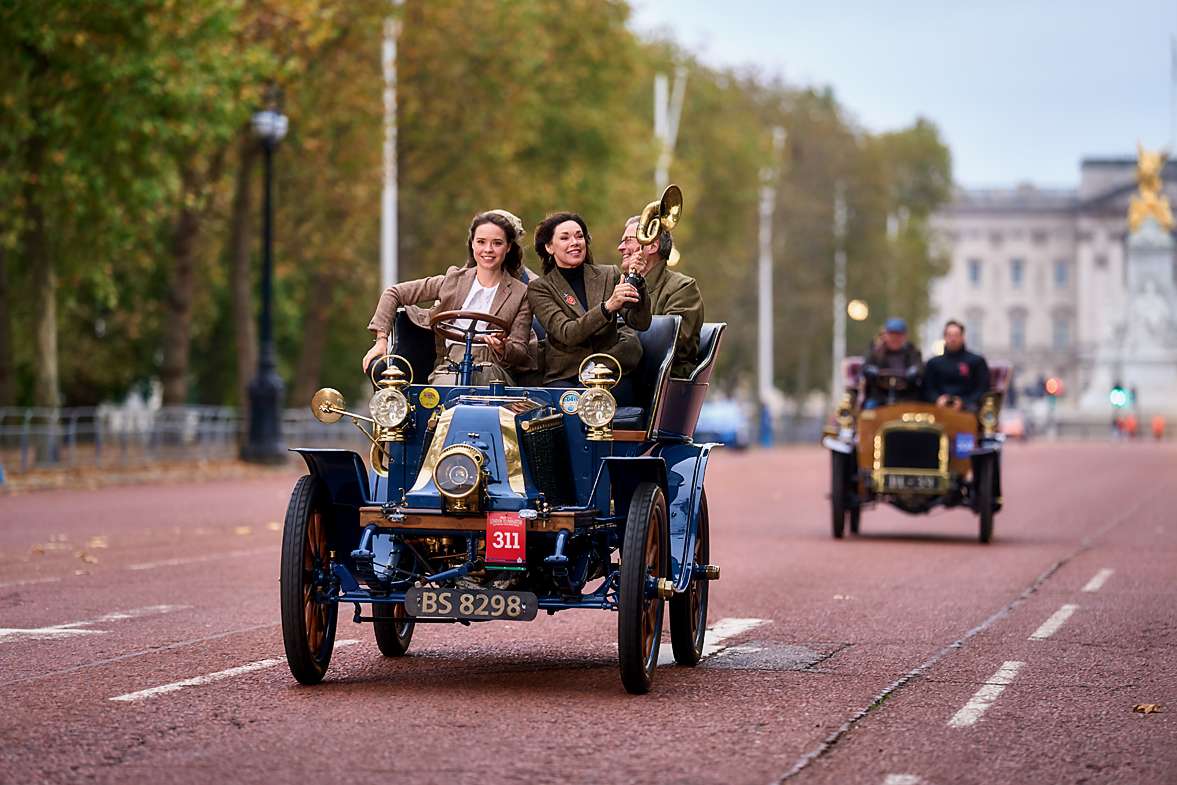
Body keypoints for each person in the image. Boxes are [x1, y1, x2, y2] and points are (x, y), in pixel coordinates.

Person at [363, 211, 535, 385]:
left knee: (482, 384)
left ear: (508, 247)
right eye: (481, 242)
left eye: (497, 243)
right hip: (450, 366)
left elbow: (519, 350)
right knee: (441, 395)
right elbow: (394, 293)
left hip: (493, 370)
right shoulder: (453, 280)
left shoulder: (521, 293)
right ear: (472, 245)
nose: (488, 250)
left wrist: (502, 347)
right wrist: (381, 340)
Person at [527, 212, 650, 391]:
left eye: (579, 236)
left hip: (609, 374)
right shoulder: (540, 288)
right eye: (564, 238)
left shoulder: (609, 274)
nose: (575, 242)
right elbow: (567, 333)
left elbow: (640, 322)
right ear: (549, 247)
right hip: (566, 377)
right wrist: (607, 307)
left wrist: (637, 281)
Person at [618, 215, 703, 378]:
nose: (620, 247)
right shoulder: (617, 283)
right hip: (625, 373)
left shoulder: (683, 287)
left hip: (660, 378)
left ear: (651, 245)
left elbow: (670, 343)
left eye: (628, 240)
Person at [923, 319, 990, 411]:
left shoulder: (977, 361)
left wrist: (964, 402)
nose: (953, 339)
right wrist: (937, 400)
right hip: (938, 409)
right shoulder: (933, 363)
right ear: (944, 337)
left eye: (956, 335)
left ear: (963, 337)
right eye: (949, 335)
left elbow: (982, 389)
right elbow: (927, 389)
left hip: (968, 410)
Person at [861, 317, 923, 408]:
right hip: (879, 397)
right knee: (869, 411)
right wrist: (873, 372)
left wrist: (913, 372)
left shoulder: (912, 352)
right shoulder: (875, 352)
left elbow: (919, 367)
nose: (894, 338)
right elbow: (865, 367)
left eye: (898, 335)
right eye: (891, 334)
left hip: (906, 397)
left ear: (904, 336)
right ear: (885, 335)